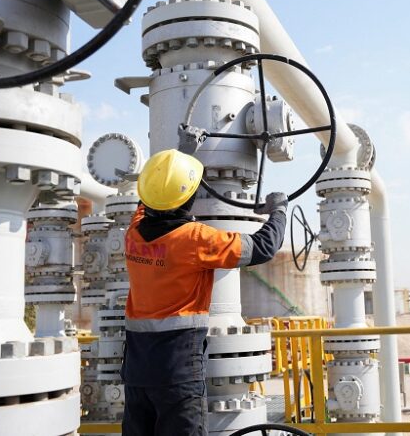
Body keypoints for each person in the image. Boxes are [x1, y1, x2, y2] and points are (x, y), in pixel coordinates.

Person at [121, 148, 287, 436]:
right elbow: (263, 246)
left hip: (136, 370)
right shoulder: (194, 240)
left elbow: (150, 198)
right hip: (177, 370)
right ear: (190, 198)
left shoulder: (132, 234)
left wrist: (181, 156)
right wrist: (279, 211)